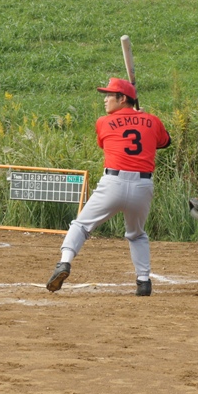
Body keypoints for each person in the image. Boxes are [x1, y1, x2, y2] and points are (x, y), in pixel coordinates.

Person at [46, 77, 170, 296]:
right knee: (137, 234)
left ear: (122, 99)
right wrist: (144, 118)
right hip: (142, 186)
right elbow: (165, 142)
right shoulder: (153, 120)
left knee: (82, 225)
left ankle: (64, 263)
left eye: (109, 95)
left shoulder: (103, 122)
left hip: (113, 182)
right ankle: (143, 281)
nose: (105, 100)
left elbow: (105, 142)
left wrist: (136, 119)